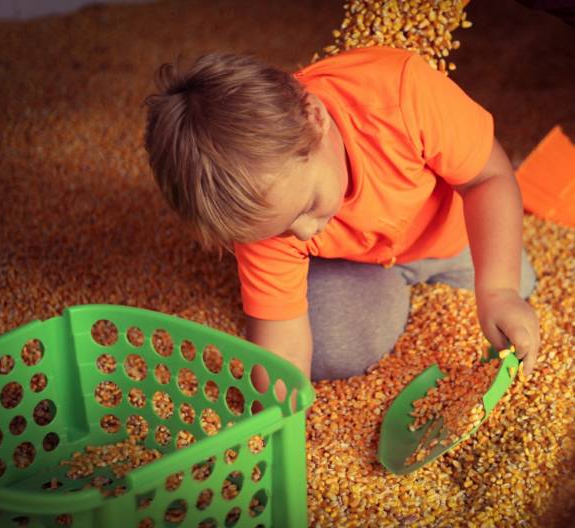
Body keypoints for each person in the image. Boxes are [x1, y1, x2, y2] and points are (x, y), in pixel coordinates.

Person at [142, 47, 540, 391]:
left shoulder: (401, 93)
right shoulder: (260, 209)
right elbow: (281, 348)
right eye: (282, 230)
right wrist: (280, 421)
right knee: (334, 347)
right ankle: (392, 286)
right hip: (356, 263)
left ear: (315, 117)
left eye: (308, 206)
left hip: (451, 233)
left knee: (516, 287)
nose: (305, 233)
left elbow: (488, 179)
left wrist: (498, 291)